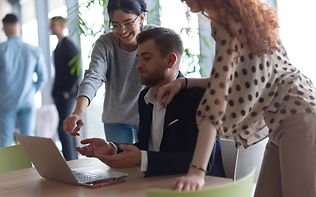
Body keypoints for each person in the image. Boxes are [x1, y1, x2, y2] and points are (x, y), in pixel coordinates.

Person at [155, 0, 316, 196]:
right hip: (280, 120)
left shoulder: (233, 25)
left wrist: (197, 171)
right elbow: (234, 80)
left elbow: (217, 100)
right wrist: (184, 82)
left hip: (298, 115)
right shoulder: (232, 19)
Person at [75, 27, 225, 177]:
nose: (138, 65)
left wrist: (142, 159)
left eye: (146, 58)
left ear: (170, 60)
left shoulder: (197, 98)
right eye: (138, 58)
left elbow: (203, 162)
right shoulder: (144, 98)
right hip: (160, 184)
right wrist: (113, 148)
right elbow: (150, 148)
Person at [64, 0, 156, 144]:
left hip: (150, 115)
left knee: (149, 164)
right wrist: (79, 112)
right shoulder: (105, 44)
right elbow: (93, 77)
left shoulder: (155, 36)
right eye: (115, 25)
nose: (122, 30)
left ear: (141, 18)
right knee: (119, 165)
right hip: (116, 119)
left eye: (128, 23)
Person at [0, 14, 47, 147]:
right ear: (19, 26)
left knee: (5, 142)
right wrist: (32, 91)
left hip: (5, 102)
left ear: (4, 28)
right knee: (29, 141)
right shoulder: (34, 50)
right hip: (27, 101)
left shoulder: (1, 50)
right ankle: (30, 168)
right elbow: (43, 77)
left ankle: (7, 168)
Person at [50, 16, 81, 160]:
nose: (51, 28)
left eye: (54, 25)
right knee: (66, 128)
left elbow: (77, 70)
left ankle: (71, 161)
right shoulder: (60, 44)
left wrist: (67, 90)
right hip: (60, 93)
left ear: (63, 26)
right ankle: (72, 159)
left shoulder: (68, 44)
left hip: (66, 94)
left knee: (64, 128)